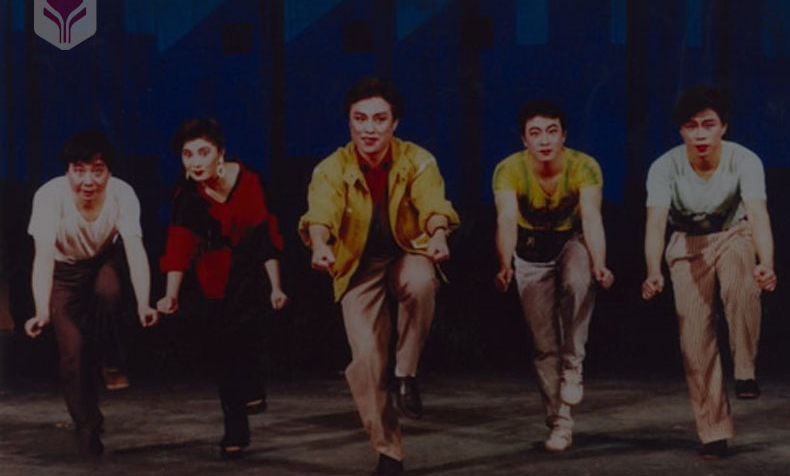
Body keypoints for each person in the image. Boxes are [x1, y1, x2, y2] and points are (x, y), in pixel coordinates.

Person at [299, 77, 459, 476]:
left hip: (408, 250)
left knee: (421, 281)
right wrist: (320, 244)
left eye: (379, 119)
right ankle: (389, 452)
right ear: (349, 122)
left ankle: (406, 373)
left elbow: (433, 204)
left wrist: (438, 234)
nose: (369, 128)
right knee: (367, 360)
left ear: (394, 123)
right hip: (358, 264)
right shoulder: (331, 168)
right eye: (360, 119)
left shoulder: (418, 159)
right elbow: (321, 212)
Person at [642, 86, 776, 459]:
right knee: (695, 340)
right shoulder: (664, 167)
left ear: (723, 127)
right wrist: (653, 271)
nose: (700, 134)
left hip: (734, 234)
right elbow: (655, 224)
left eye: (708, 124)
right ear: (681, 131)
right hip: (688, 244)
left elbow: (758, 213)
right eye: (691, 126)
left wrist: (766, 263)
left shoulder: (744, 160)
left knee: (741, 282)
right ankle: (713, 431)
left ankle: (745, 369)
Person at [156, 117, 289, 459]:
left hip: (252, 274)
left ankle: (253, 384)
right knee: (222, 353)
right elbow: (178, 247)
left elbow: (267, 237)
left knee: (247, 339)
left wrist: (276, 286)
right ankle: (236, 428)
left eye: (203, 152)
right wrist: (170, 295)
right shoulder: (187, 196)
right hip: (212, 280)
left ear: (221, 153)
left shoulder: (251, 181)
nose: (195, 162)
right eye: (187, 155)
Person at [24, 130, 159, 457]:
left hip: (103, 261)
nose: (88, 180)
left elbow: (135, 249)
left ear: (109, 172)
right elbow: (43, 257)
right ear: (67, 171)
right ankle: (87, 424)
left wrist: (144, 303)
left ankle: (111, 358)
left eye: (97, 171)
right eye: (79, 170)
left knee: (109, 290)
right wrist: (41, 309)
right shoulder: (49, 196)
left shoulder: (122, 193)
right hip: (64, 271)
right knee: (72, 350)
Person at [492, 100, 614, 453]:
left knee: (579, 279)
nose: (544, 140)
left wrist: (600, 263)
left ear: (564, 135)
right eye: (535, 133)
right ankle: (560, 422)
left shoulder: (584, 166)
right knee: (544, 346)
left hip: (570, 241)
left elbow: (591, 217)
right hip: (529, 250)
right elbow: (506, 219)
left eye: (551, 131)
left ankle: (574, 363)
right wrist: (504, 264)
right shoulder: (508, 169)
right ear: (524, 139)